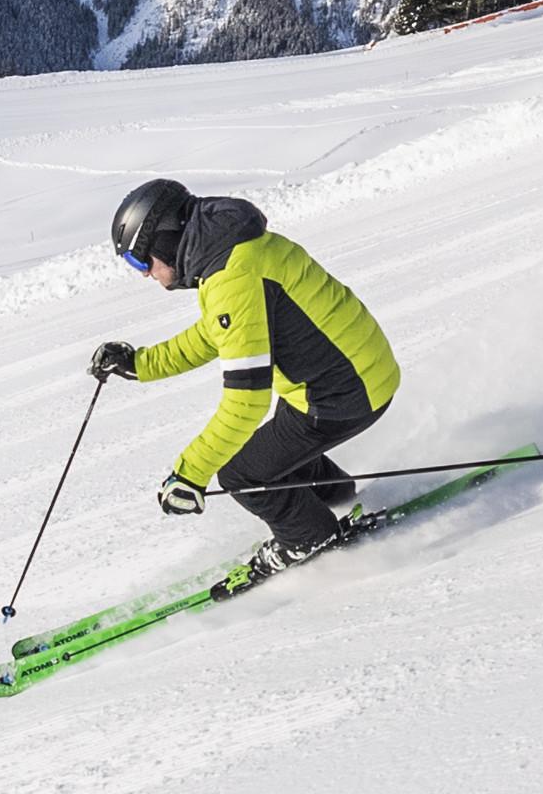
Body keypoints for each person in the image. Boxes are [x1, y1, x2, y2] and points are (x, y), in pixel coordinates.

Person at [86, 177, 399, 566]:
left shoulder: (231, 277)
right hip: (353, 372)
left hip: (343, 391)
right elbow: (218, 333)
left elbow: (246, 399)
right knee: (278, 452)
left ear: (164, 240)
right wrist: (140, 363)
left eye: (139, 260)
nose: (144, 273)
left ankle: (311, 539)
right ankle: (341, 500)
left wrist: (191, 474)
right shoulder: (231, 250)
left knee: (242, 474)